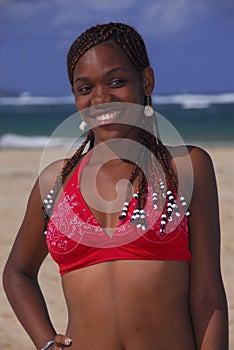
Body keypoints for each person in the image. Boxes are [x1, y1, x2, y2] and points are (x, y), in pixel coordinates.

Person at [3, 22, 228, 350]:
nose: (101, 98)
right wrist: (46, 342)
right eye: (85, 88)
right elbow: (17, 273)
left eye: (117, 82)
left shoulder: (186, 167)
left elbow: (208, 296)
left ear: (146, 81)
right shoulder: (56, 182)